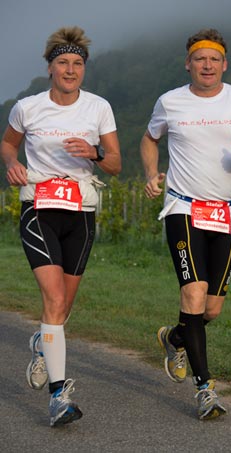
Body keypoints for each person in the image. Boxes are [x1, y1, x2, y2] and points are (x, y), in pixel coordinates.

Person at [140, 28, 231, 420]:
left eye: (214, 59)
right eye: (200, 58)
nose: (207, 65)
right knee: (194, 294)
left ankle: (175, 336)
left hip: (226, 213)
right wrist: (152, 172)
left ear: (224, 64)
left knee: (211, 309)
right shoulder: (170, 101)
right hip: (183, 208)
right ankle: (205, 390)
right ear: (188, 63)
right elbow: (150, 139)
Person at [0, 26, 121, 427]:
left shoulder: (98, 107)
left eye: (77, 64)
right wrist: (13, 165)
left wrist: (95, 152)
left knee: (63, 308)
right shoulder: (27, 107)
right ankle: (58, 397)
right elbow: (8, 143)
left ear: (84, 69)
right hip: (38, 207)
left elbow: (116, 164)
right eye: (63, 63)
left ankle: (42, 342)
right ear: (50, 67)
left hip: (81, 211)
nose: (70, 70)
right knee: (53, 299)